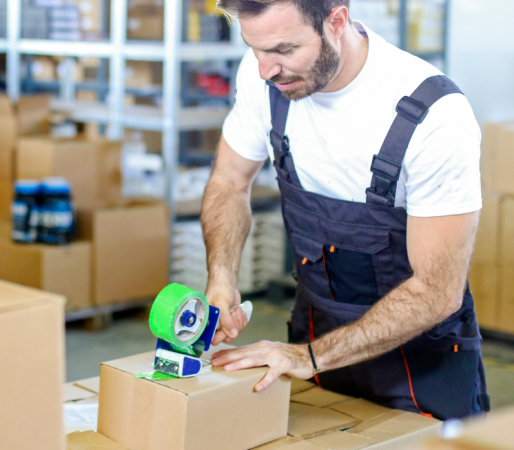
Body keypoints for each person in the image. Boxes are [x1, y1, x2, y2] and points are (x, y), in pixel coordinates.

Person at [201, 0, 489, 420]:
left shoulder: (434, 115)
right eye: (254, 48)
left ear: (336, 20)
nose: (266, 69)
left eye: (284, 50)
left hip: (419, 367)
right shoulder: (264, 78)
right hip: (313, 340)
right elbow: (229, 181)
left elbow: (436, 292)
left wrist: (310, 357)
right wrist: (222, 277)